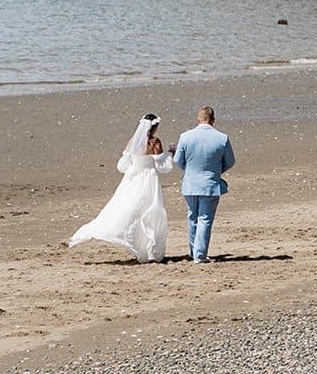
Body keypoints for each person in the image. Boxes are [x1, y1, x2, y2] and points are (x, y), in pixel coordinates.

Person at [68, 114, 173, 263]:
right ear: (155, 127)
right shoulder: (154, 142)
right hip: (148, 179)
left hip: (133, 178)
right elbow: (164, 168)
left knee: (128, 208)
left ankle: (136, 245)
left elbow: (122, 166)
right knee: (151, 211)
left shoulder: (132, 142)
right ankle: (148, 250)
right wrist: (169, 154)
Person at [172, 105, 235, 263]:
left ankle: (195, 252)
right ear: (213, 120)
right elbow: (230, 161)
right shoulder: (222, 137)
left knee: (193, 216)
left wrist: (189, 170)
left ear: (198, 119)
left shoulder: (185, 136)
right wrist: (216, 171)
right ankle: (199, 255)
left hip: (191, 182)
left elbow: (178, 160)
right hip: (210, 183)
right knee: (204, 218)